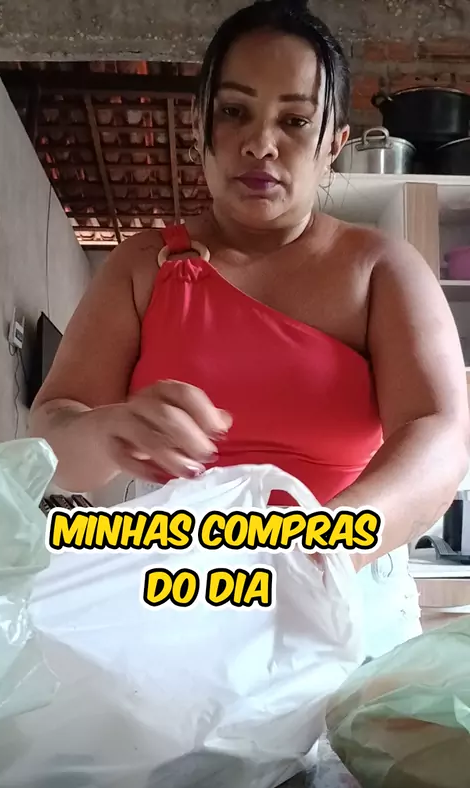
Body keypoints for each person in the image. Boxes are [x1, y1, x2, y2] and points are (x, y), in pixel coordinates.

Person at [29, 0, 468, 588]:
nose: (261, 143)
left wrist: (325, 546)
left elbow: (439, 434)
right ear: (200, 127)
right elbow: (53, 435)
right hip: (176, 590)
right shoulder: (141, 265)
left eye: (295, 121)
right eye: (234, 112)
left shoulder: (383, 270)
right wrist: (106, 431)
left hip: (340, 588)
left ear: (334, 143)